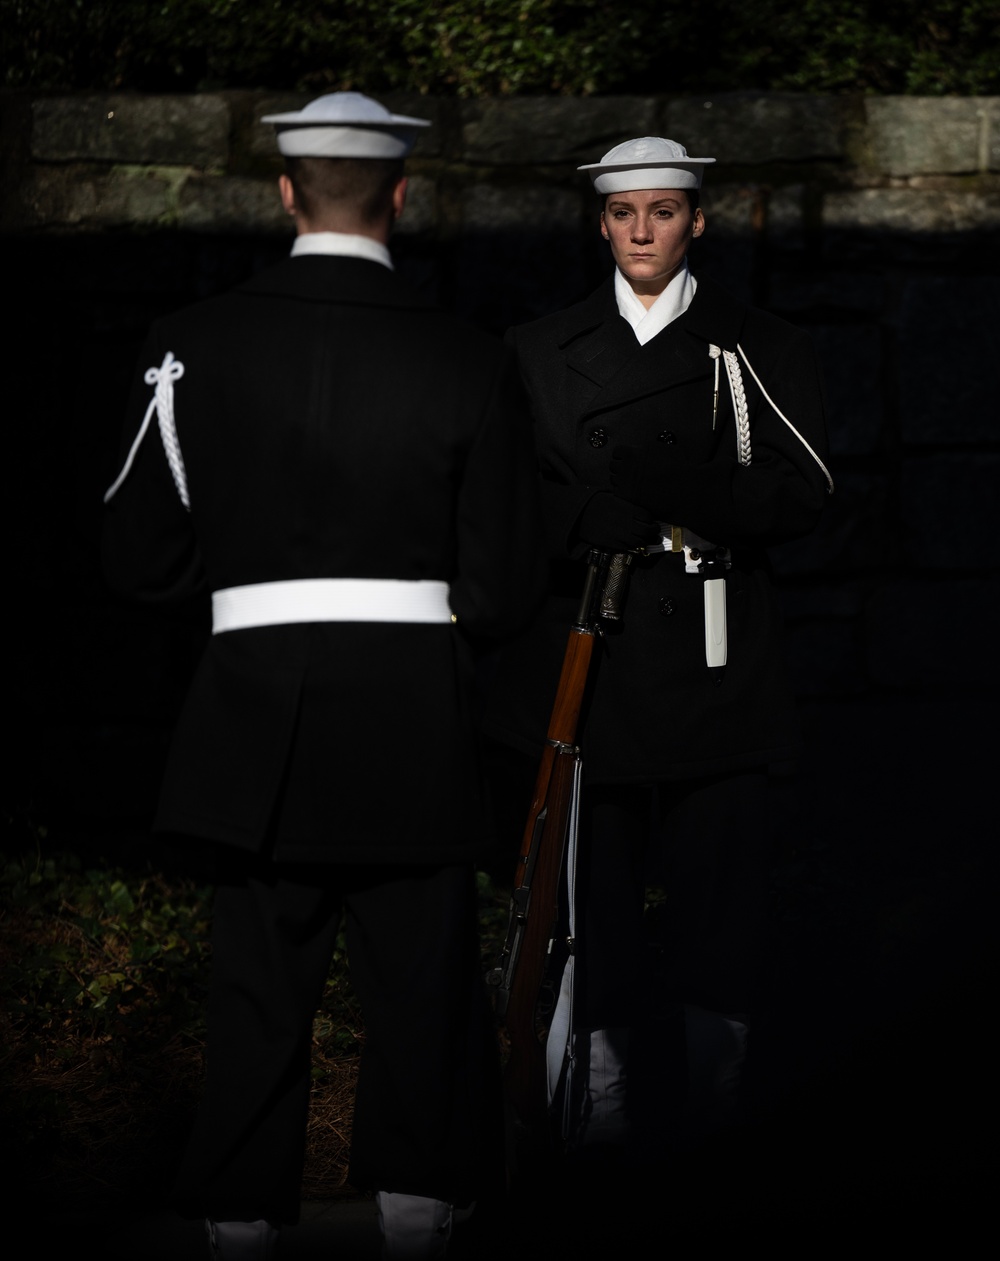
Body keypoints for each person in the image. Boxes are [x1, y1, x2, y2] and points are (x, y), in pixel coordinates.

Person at [103, 92, 542, 1259]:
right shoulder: (471, 358)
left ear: (287, 191)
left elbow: (138, 558)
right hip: (412, 713)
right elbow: (502, 587)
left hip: (252, 712)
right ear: (400, 193)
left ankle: (238, 1219)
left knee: (256, 988)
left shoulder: (189, 346)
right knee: (423, 990)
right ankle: (419, 1213)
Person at [486, 136, 832, 1153]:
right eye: (623, 211)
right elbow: (499, 493)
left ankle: (715, 1118)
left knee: (721, 907)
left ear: (698, 221)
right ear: (600, 223)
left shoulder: (753, 343)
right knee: (592, 906)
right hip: (591, 655)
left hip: (712, 662)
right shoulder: (537, 348)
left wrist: (674, 483)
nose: (642, 231)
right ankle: (598, 1117)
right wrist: (574, 517)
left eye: (664, 211)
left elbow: (806, 488)